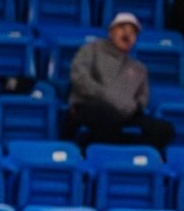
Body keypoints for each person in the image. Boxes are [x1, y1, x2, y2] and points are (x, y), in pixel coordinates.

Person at [67, 13, 173, 150]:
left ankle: (127, 153)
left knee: (164, 129)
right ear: (111, 31)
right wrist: (107, 97)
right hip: (90, 106)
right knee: (106, 117)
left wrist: (129, 107)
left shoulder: (139, 68)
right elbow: (79, 79)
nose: (127, 34)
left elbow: (142, 99)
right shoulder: (91, 50)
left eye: (133, 32)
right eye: (122, 28)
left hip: (124, 113)